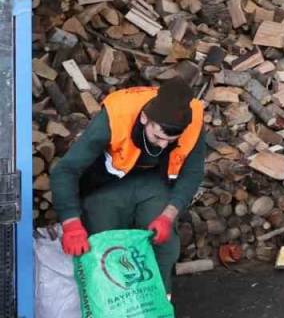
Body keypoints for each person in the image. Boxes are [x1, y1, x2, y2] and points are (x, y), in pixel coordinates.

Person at [50, 78, 207, 296]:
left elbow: (193, 172)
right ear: (145, 118)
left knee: (164, 244)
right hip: (105, 184)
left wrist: (168, 216)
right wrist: (71, 223)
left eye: (170, 140)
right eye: (159, 137)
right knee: (105, 247)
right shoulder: (116, 116)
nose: (163, 145)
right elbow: (64, 170)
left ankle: (158, 303)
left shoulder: (192, 118)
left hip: (153, 183)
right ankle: (111, 304)